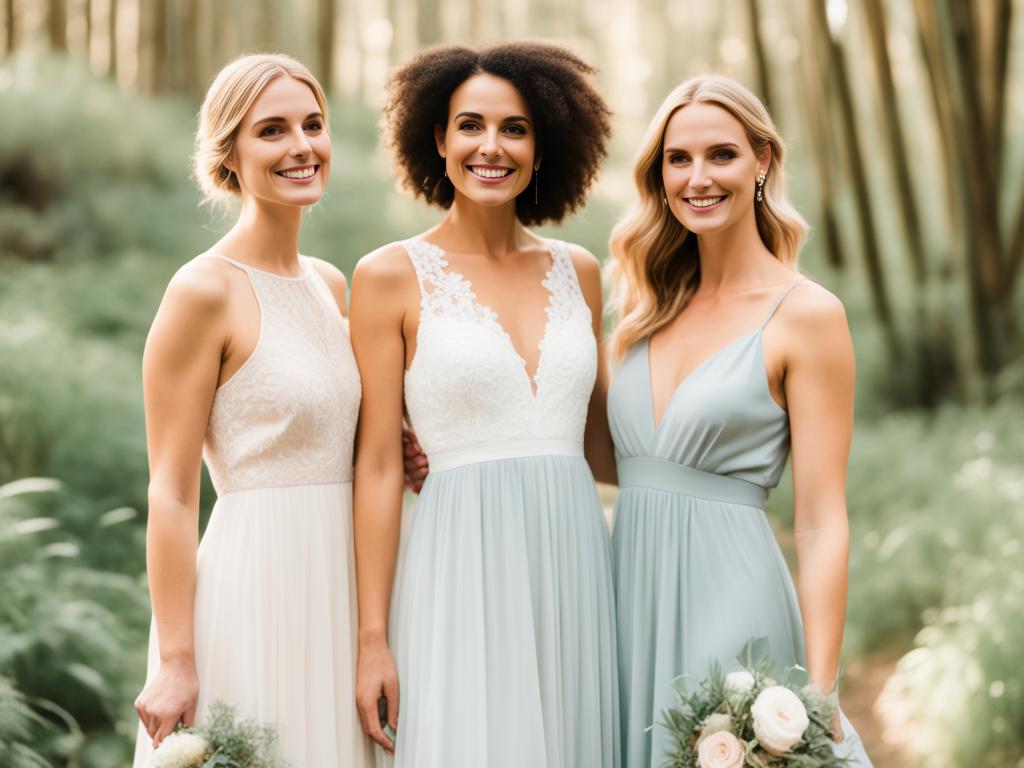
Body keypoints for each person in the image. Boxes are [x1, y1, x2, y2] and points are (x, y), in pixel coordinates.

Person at [350, 42, 620, 768]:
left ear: (543, 146)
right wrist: (372, 640)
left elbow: (606, 445)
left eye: (516, 128)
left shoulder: (581, 274)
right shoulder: (386, 277)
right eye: (470, 126)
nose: (491, 146)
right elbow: (378, 466)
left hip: (575, 570)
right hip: (457, 569)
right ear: (438, 140)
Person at [606, 74, 872, 767]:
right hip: (624, 605)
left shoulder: (808, 315)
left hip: (733, 609)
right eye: (677, 158)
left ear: (762, 162)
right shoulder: (641, 310)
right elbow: (609, 459)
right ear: (659, 174)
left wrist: (820, 688)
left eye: (720, 155)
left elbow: (820, 520)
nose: (698, 177)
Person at [132, 53, 371, 768]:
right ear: (229, 155)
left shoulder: (331, 286)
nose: (301, 146)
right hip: (254, 587)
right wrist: (177, 658)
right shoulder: (202, 291)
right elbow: (171, 491)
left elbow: (345, 433)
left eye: (313, 124)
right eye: (272, 130)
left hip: (343, 589)